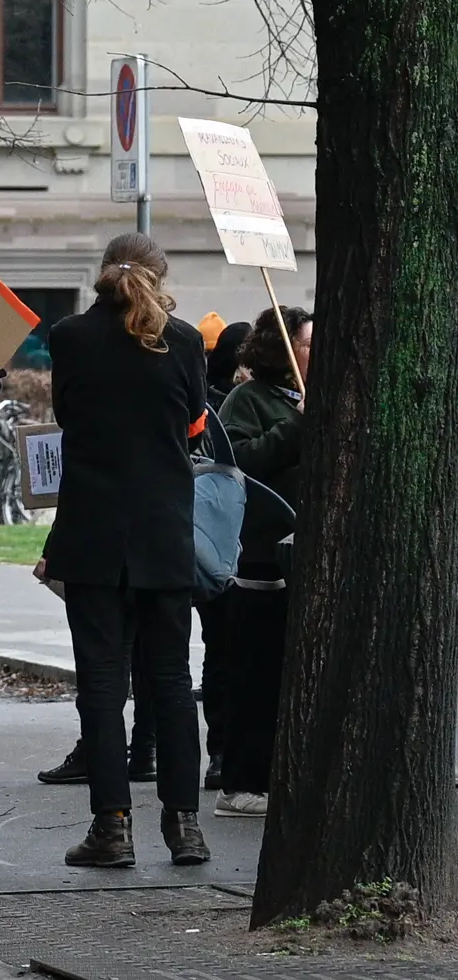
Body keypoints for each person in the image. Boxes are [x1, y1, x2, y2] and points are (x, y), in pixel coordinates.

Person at [40, 233, 210, 867]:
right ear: (160, 275)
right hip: (164, 530)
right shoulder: (187, 342)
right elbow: (193, 419)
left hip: (92, 532)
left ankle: (112, 828)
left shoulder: (70, 337)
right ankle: (184, 825)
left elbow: (65, 413)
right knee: (171, 681)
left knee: (102, 686)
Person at [213, 305, 308, 816]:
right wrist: (295, 428)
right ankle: (242, 781)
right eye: (310, 343)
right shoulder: (248, 400)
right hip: (260, 561)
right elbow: (239, 463)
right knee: (256, 670)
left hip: (303, 558)